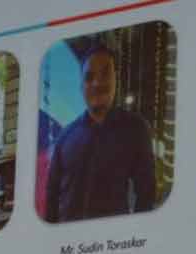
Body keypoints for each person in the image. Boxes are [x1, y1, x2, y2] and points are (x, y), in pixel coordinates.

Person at [43, 44, 156, 223]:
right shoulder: (65, 137)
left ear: (115, 79)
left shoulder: (135, 128)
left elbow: (146, 194)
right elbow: (51, 198)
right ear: (81, 87)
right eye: (89, 77)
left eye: (105, 74)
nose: (97, 83)